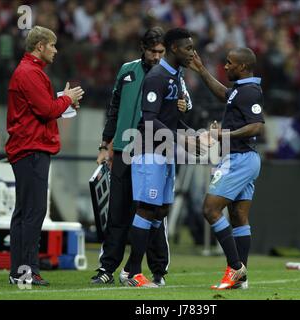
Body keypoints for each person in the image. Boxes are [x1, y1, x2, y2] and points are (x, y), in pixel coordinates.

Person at [91, 27, 190, 286]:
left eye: (161, 51)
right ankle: (106, 269)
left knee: (152, 211)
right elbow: (113, 108)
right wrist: (105, 144)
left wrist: (184, 105)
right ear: (142, 49)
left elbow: (185, 104)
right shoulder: (127, 71)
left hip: (153, 148)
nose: (157, 56)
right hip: (125, 148)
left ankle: (157, 270)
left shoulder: (172, 74)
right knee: (118, 212)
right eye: (152, 51)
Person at [6, 26, 84, 286]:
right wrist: (66, 99)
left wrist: (63, 100)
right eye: (52, 45)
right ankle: (27, 271)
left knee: (24, 212)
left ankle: (18, 270)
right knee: (33, 212)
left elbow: (42, 107)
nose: (55, 50)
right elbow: (45, 110)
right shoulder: (30, 73)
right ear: (40, 46)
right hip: (32, 148)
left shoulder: (30, 71)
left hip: (28, 147)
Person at [124, 28, 198, 287]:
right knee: (146, 208)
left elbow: (172, 120)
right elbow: (149, 119)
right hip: (148, 151)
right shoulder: (157, 77)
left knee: (161, 210)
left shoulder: (176, 77)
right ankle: (132, 272)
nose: (192, 53)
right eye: (188, 48)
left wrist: (193, 136)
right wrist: (182, 138)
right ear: (174, 49)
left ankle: (154, 269)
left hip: (165, 152)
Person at [189, 48, 265, 289]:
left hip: (239, 158)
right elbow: (224, 93)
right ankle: (241, 279)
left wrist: (223, 134)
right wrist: (201, 70)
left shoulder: (250, 91)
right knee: (238, 217)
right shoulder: (241, 90)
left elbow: (255, 127)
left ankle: (235, 268)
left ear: (243, 67)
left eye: (230, 63)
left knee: (211, 209)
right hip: (245, 158)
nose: (226, 66)